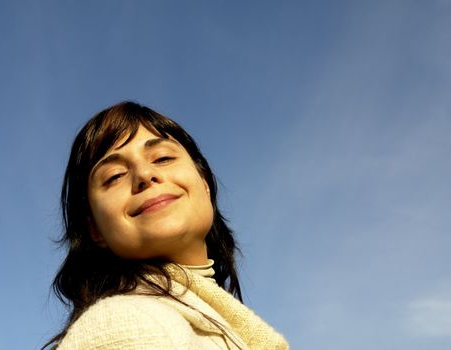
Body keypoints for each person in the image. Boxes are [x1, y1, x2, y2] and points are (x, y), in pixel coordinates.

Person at [44, 101, 289, 349]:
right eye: (114, 176)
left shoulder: (220, 328)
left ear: (204, 183)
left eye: (162, 158)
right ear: (94, 229)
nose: (144, 175)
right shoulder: (126, 325)